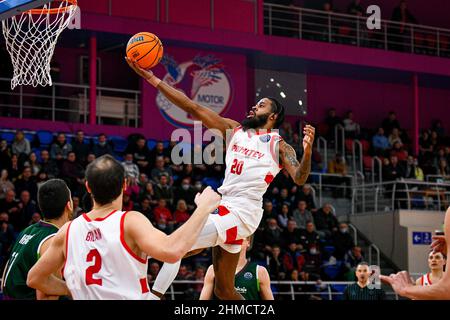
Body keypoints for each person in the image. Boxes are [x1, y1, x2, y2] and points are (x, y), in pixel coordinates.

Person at [126, 57, 315, 300]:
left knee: (172, 247)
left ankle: (152, 297)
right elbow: (193, 108)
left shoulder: (278, 144)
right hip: (225, 209)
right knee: (224, 291)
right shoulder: (234, 131)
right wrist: (151, 78)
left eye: (261, 105)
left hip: (243, 212)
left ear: (273, 116)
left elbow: (299, 178)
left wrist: (307, 152)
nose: (254, 107)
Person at [26, 155, 221, 300]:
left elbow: (34, 278)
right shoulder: (130, 222)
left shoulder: (67, 231)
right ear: (125, 185)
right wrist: (203, 209)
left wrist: (70, 289)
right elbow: (172, 251)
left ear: (88, 187)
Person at [1, 179, 73, 299]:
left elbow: (6, 271)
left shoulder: (28, 230)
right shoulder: (53, 240)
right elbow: (46, 296)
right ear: (69, 206)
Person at [380, 207, 450, 299]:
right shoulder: (421, 280)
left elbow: (446, 290)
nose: (434, 260)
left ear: (444, 261)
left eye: (437, 257)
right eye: (431, 258)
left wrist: (406, 289)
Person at [200, 237, 274, 300]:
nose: (236, 241)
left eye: (240, 237)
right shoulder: (213, 269)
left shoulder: (259, 271)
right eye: (234, 238)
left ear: (248, 242)